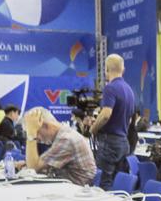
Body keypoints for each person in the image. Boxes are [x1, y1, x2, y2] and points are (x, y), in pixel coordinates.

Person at [90, 54, 135, 190]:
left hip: (109, 142)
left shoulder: (110, 88)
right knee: (119, 183)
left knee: (103, 183)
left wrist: (93, 128)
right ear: (123, 69)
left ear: (106, 70)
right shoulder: (129, 90)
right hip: (123, 141)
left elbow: (106, 114)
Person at [19, 107, 97, 186]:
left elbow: (33, 168)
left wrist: (31, 135)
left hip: (76, 191)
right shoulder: (63, 134)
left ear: (45, 125)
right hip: (68, 186)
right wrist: (26, 164)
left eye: (36, 132)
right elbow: (45, 165)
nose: (38, 139)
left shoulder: (66, 139)